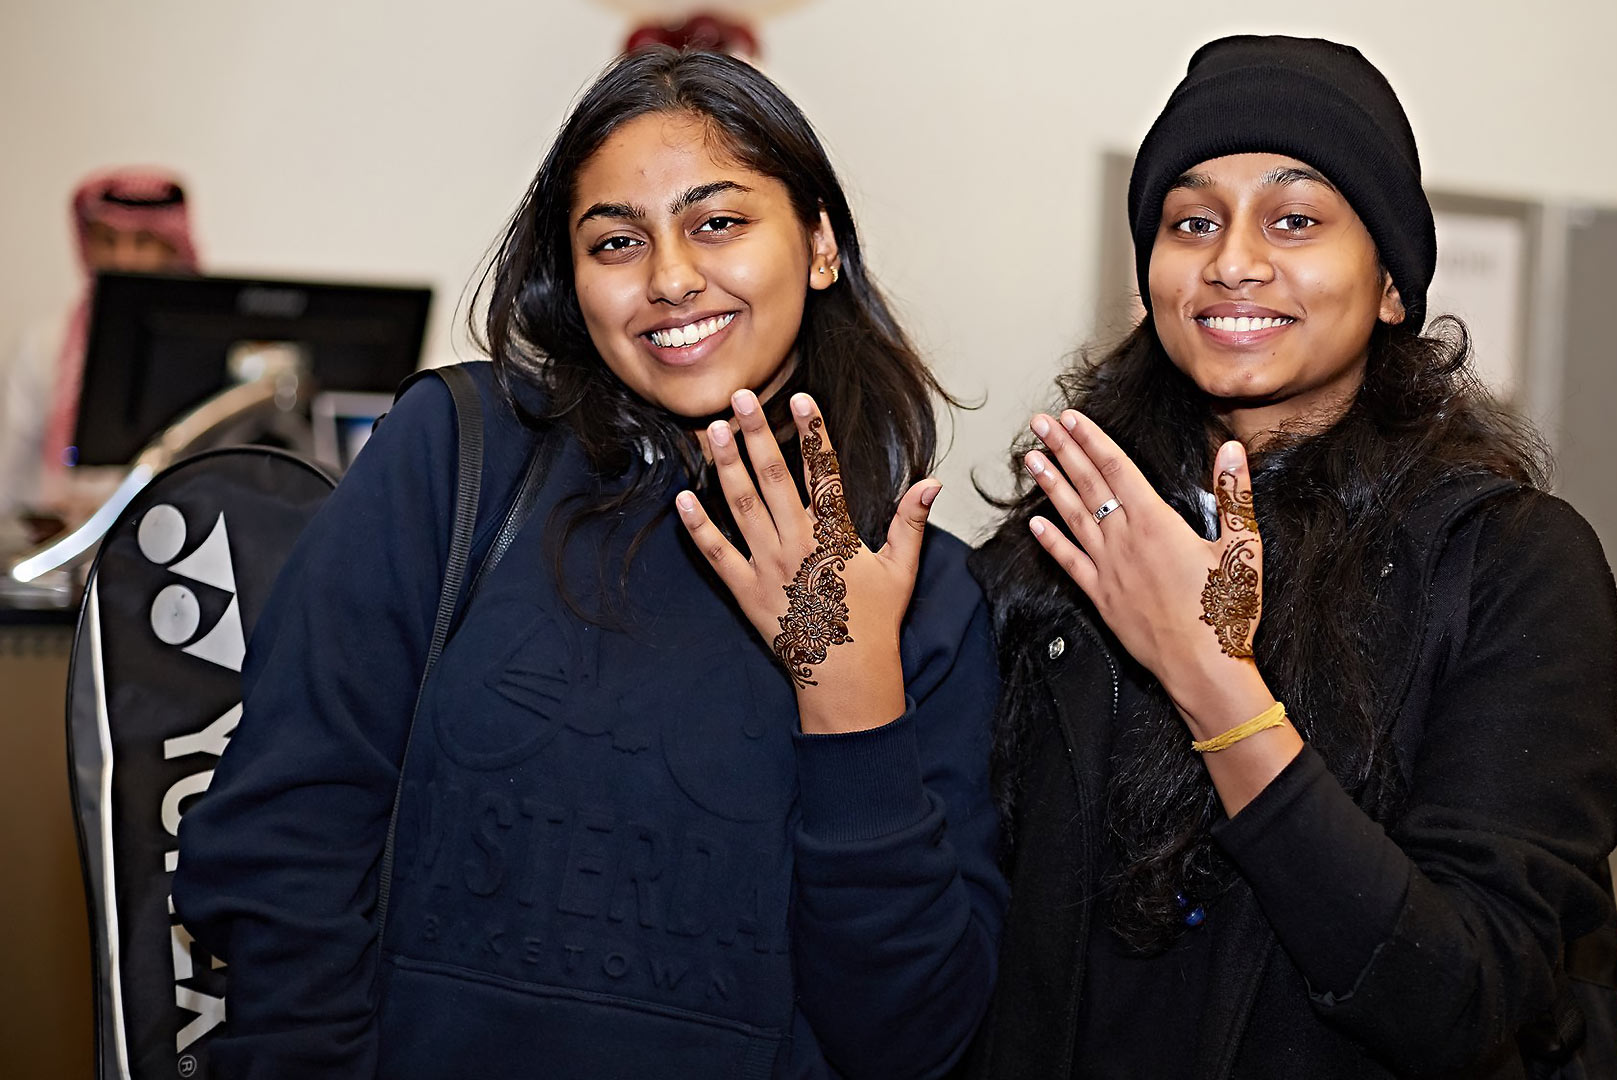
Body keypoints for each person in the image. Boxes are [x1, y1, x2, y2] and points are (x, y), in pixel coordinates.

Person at [174, 47, 1004, 1079]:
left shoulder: (919, 593)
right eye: (617, 241)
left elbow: (917, 1038)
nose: (668, 278)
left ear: (821, 244)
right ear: (573, 280)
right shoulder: (454, 460)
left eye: (718, 222)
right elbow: (281, 855)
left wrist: (854, 714)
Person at [966, 35, 1617, 1079]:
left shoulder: (1509, 566)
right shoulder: (1057, 544)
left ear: (1388, 287)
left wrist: (1209, 680)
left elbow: (1460, 993)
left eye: (1296, 219)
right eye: (1192, 221)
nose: (1233, 259)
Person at [0, 168, 198, 538]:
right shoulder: (45, 345)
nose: (123, 259)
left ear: (172, 248)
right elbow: (7, 481)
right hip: (64, 546)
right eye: (108, 240)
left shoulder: (204, 353)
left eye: (142, 242)